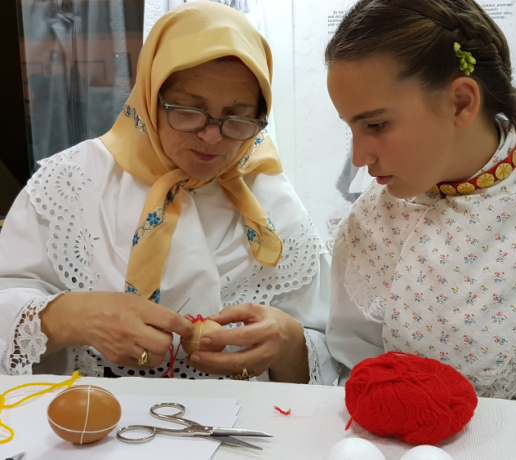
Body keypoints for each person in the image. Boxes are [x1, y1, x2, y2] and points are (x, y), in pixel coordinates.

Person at [0, 2, 338, 385]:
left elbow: (334, 352)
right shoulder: (72, 182)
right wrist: (75, 316)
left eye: (237, 117)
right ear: (149, 96)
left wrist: (291, 344)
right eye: (187, 110)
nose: (211, 136)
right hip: (94, 429)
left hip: (239, 433)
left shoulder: (270, 199)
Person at [325, 0, 516, 408]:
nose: (359, 158)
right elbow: (357, 368)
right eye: (351, 126)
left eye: (376, 125)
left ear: (461, 101)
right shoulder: (369, 221)